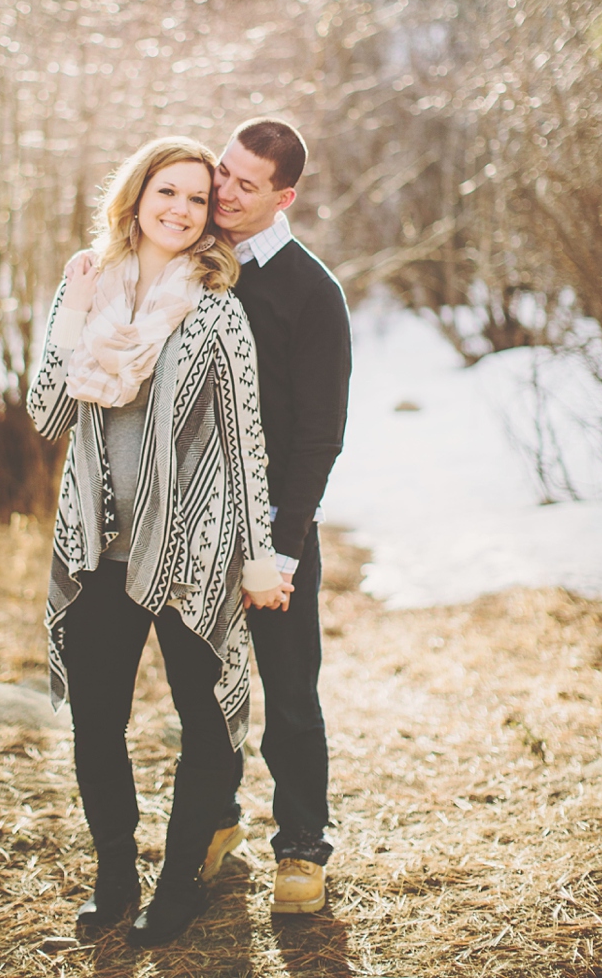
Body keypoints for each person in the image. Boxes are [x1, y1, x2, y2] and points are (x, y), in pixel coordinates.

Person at [27, 137, 292, 947]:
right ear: (135, 196)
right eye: (164, 192)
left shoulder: (217, 312)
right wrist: (72, 311)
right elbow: (45, 412)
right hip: (96, 548)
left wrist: (258, 556)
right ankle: (114, 874)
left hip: (196, 553)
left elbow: (246, 443)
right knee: (95, 722)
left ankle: (178, 886)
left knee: (204, 724)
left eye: (193, 197)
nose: (179, 209)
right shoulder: (90, 289)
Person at [202, 117, 352, 915]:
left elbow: (318, 434)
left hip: (271, 530)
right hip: (194, 523)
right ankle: (211, 822)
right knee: (205, 687)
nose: (223, 192)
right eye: (221, 172)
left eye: (245, 184)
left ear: (283, 196)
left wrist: (283, 550)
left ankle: (300, 846)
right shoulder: (197, 265)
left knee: (289, 693)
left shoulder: (309, 290)